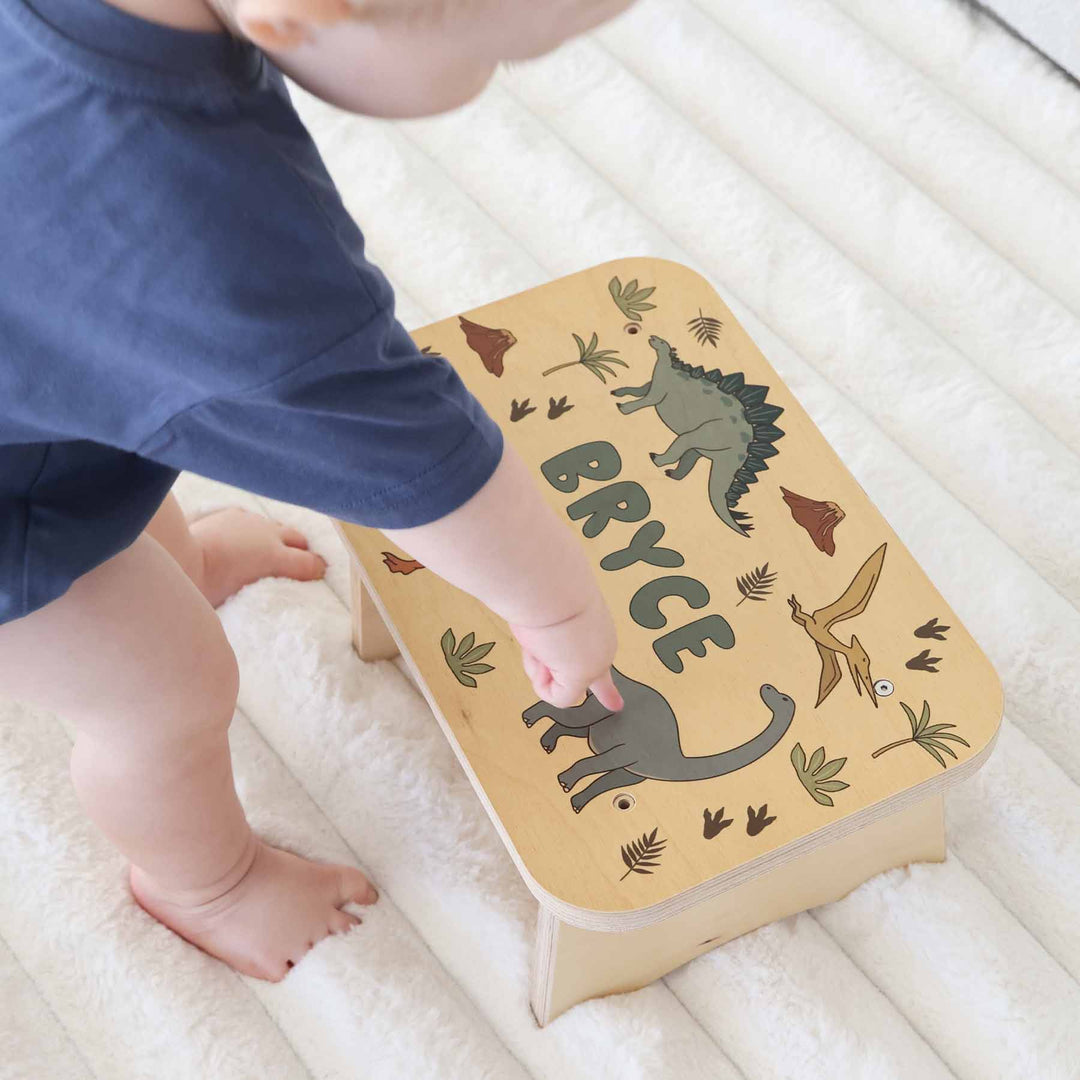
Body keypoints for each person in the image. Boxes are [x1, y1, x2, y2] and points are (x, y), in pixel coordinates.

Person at [0, 0, 634, 981]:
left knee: (107, 417)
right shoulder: (211, 234)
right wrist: (558, 607)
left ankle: (175, 560)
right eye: (500, 52)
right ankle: (204, 883)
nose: (495, 76)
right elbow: (419, 463)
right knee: (166, 692)